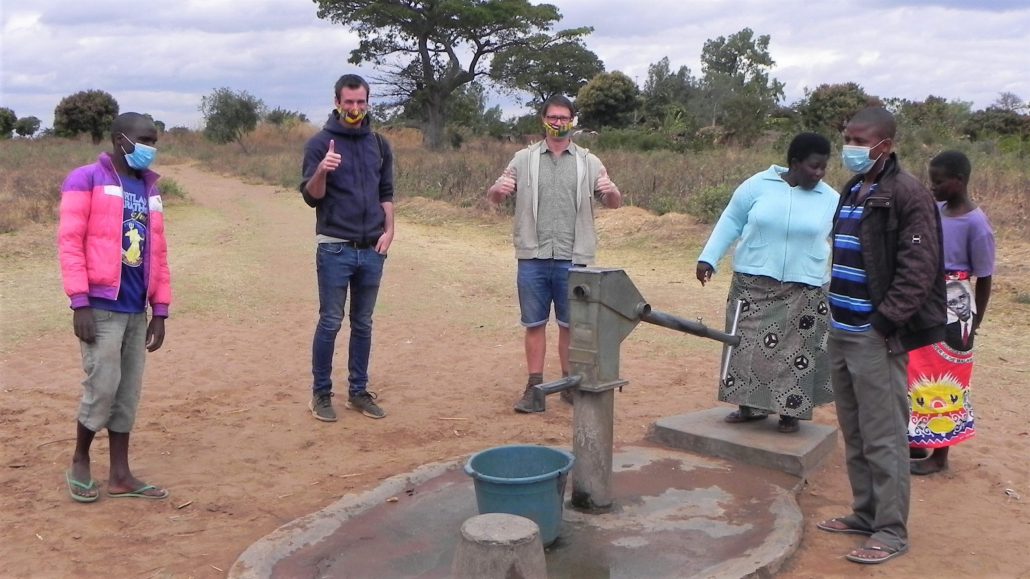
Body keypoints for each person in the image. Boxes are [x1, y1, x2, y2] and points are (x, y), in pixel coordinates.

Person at [817, 107, 946, 565]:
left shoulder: (907, 194)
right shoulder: (854, 188)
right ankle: (865, 513)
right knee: (854, 431)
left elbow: (919, 270)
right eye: (846, 137)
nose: (848, 146)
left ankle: (890, 531)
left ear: (884, 145)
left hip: (875, 336)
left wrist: (883, 324)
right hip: (842, 329)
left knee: (884, 436)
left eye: (858, 139)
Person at [58, 112, 173, 502]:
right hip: (100, 307)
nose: (150, 148)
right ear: (120, 139)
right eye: (144, 139)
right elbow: (70, 243)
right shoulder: (85, 180)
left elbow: (159, 252)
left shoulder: (150, 189)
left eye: (154, 140)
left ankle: (121, 475)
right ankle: (80, 459)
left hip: (135, 309)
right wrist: (79, 302)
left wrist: (160, 308)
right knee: (101, 387)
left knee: (127, 393)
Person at [487, 94, 622, 413]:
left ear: (573, 121)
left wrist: (613, 193)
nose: (559, 123)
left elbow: (612, 201)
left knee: (569, 325)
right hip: (532, 256)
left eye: (565, 118)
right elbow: (494, 196)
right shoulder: (523, 159)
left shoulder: (590, 161)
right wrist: (498, 191)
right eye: (553, 117)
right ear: (543, 120)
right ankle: (534, 387)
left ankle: (568, 384)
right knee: (533, 323)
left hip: (573, 257)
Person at [696, 133, 838, 433]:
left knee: (796, 351)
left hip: (805, 287)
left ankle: (790, 411)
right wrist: (709, 257)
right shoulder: (756, 186)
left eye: (824, 167)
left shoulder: (831, 199)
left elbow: (845, 239)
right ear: (795, 162)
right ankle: (749, 407)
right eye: (814, 166)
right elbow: (731, 220)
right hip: (753, 282)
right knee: (745, 346)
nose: (820, 173)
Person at [300, 74, 394, 422]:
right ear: (337, 102)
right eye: (349, 102)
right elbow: (312, 197)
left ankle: (358, 392)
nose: (355, 109)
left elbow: (387, 192)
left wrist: (390, 231)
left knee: (364, 323)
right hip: (335, 249)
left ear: (368, 102)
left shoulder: (379, 144)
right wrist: (322, 170)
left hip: (372, 249)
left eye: (361, 102)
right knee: (330, 322)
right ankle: (321, 395)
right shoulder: (320, 144)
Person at [907, 151, 994, 475]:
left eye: (939, 182)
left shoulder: (977, 224)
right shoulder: (936, 211)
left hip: (956, 304)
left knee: (947, 379)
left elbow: (984, 278)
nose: (933, 188)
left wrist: (976, 322)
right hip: (925, 296)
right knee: (917, 372)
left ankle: (940, 456)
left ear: (958, 181)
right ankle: (917, 437)